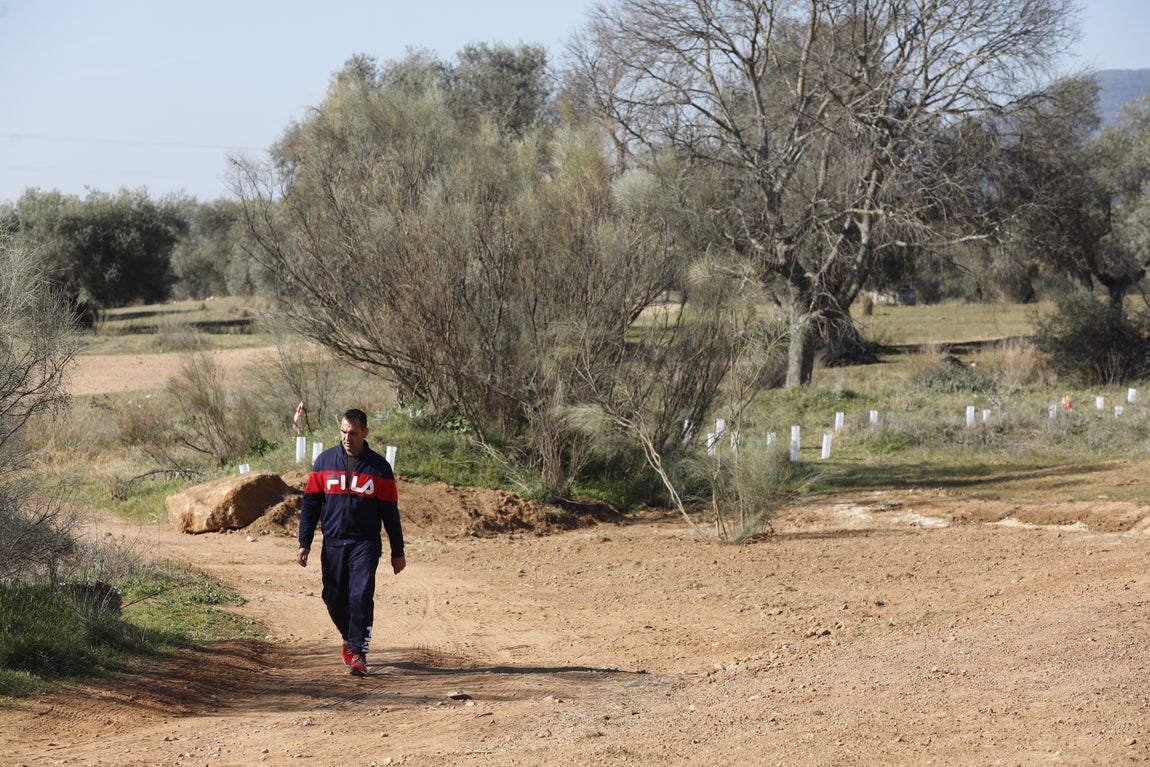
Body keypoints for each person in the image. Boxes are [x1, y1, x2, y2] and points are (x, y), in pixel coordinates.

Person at [297, 408, 406, 676]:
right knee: (333, 599)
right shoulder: (323, 462)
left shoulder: (379, 467)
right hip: (333, 543)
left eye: (353, 433)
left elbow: (390, 512)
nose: (347, 438)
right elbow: (311, 505)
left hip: (364, 544)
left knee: (360, 596)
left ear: (365, 433)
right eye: (344, 432)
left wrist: (397, 551)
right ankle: (348, 637)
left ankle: (359, 653)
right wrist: (304, 542)